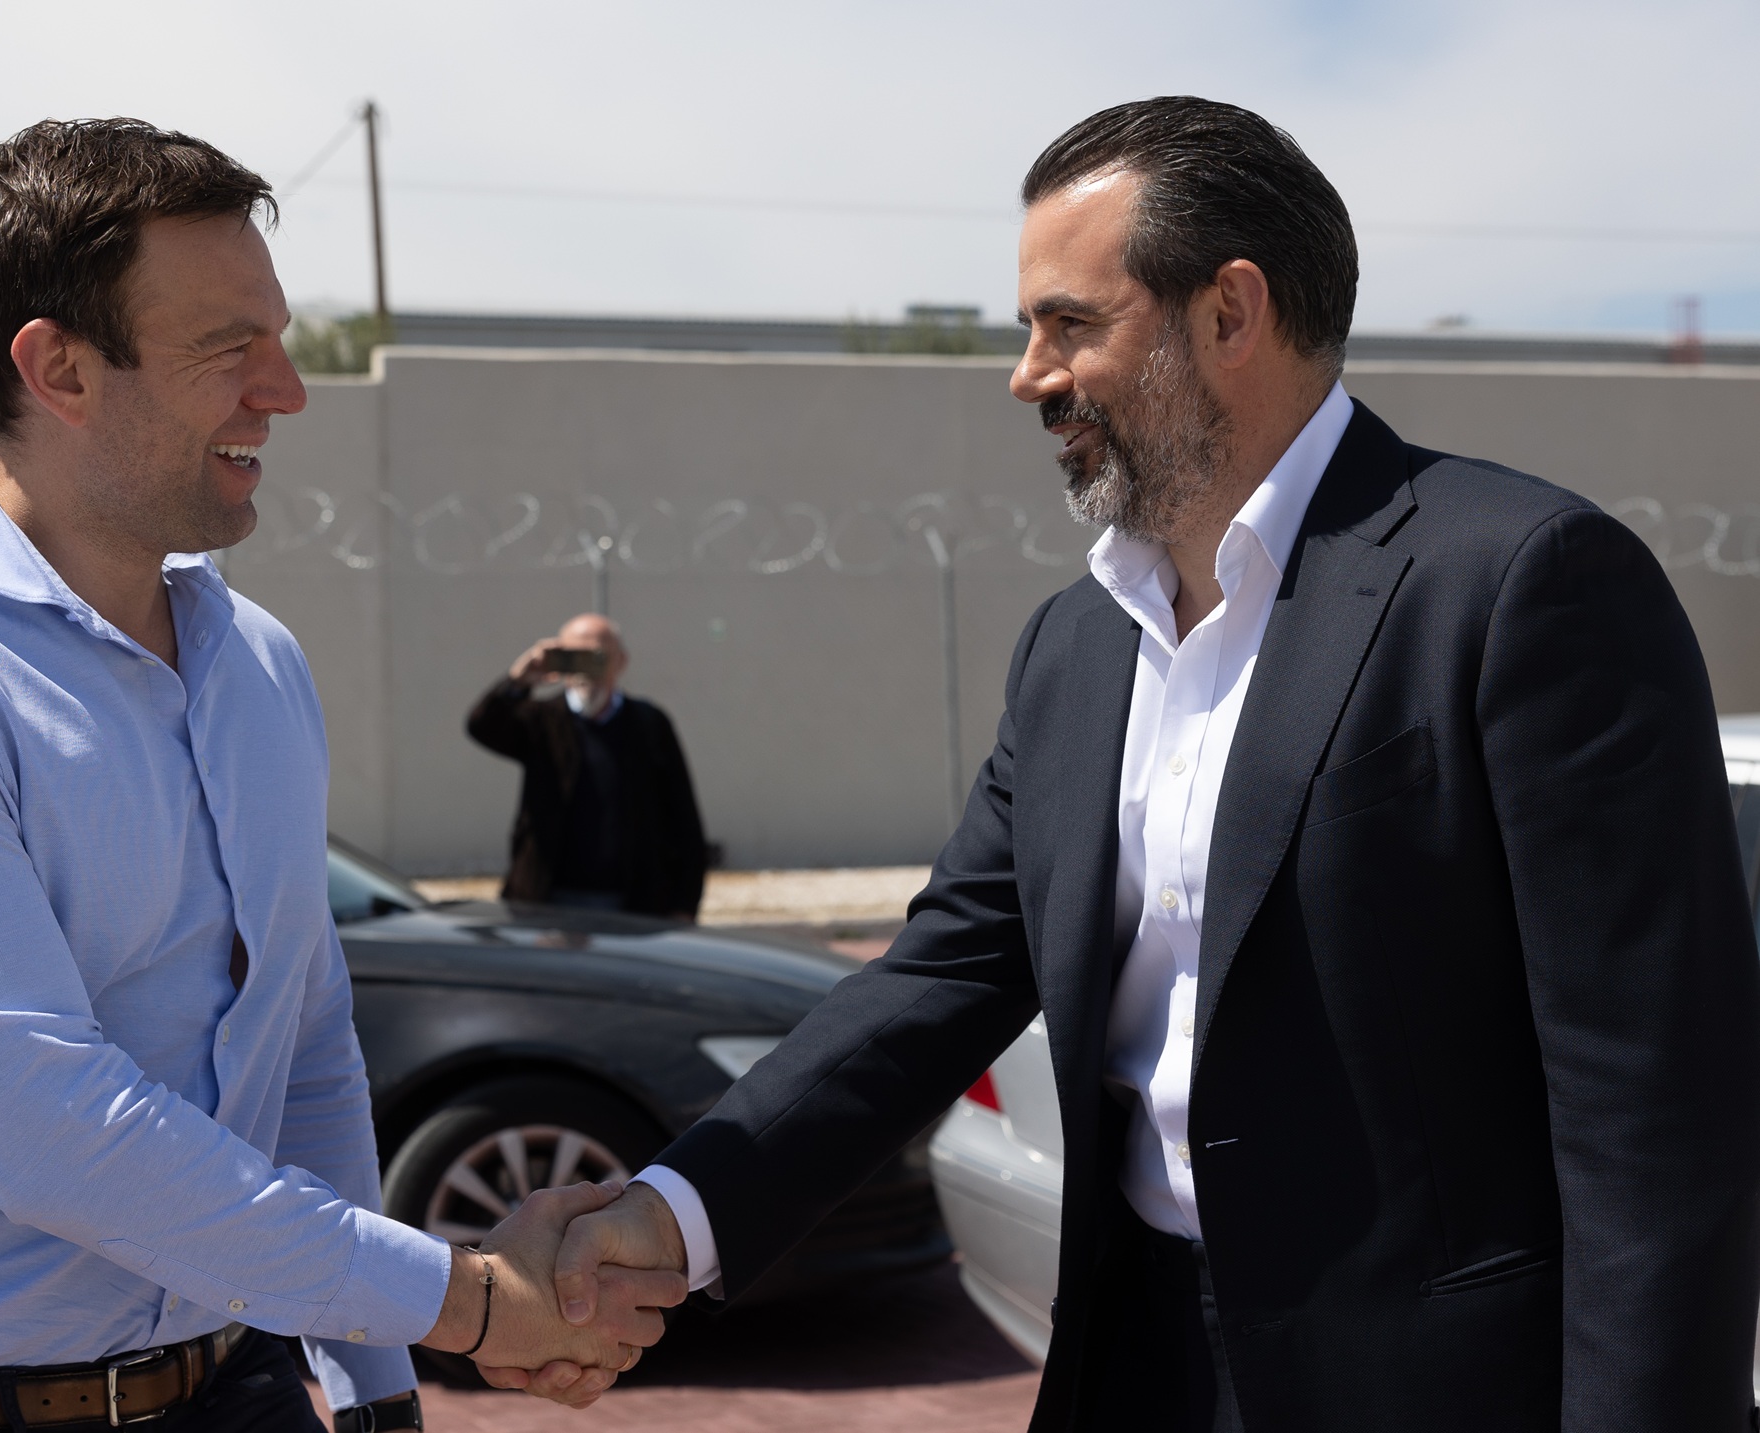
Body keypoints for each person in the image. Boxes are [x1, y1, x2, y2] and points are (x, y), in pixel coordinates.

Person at [526, 97, 1760, 1430]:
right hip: (1134, 1368)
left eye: (1069, 323)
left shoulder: (1519, 582)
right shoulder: (1072, 646)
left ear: (1227, 312)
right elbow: (943, 973)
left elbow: (1651, 1114)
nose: (1027, 375)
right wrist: (672, 1214)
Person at [0, 118, 679, 1433]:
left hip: (234, 1384)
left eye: (275, 337)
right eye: (229, 348)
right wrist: (469, 1302)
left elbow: (305, 1039)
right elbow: (54, 1135)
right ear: (58, 368)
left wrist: (374, 1384)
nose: (283, 390)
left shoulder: (255, 661)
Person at [467, 614, 709, 920]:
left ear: (620, 661)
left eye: (595, 658)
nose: (585, 671)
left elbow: (683, 819)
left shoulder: (648, 724)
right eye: (574, 658)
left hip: (634, 902)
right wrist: (519, 680)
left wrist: (684, 905)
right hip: (549, 900)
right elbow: (482, 726)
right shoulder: (542, 720)